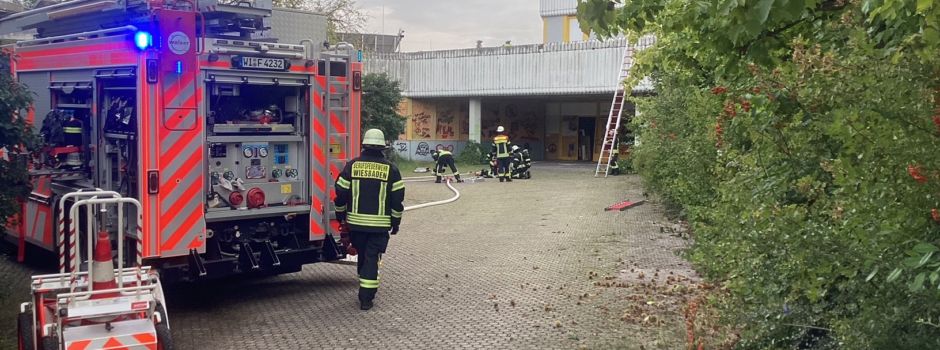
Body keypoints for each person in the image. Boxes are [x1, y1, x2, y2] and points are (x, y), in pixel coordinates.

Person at [334, 129, 405, 311]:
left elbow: (340, 193)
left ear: (364, 145)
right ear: (383, 147)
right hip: (379, 227)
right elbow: (397, 202)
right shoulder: (392, 170)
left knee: (364, 255)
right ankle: (366, 298)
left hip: (356, 225)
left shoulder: (352, 166)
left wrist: (340, 214)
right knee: (371, 259)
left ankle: (364, 286)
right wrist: (395, 223)